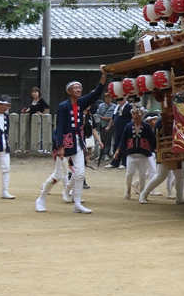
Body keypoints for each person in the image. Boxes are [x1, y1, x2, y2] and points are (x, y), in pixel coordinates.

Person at [35, 65, 108, 213]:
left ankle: (77, 204)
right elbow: (60, 126)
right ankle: (41, 198)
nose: (79, 89)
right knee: (58, 175)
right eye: (75, 88)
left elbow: (96, 94)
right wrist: (60, 146)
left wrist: (104, 75)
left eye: (80, 87)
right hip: (64, 141)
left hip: (78, 141)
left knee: (80, 173)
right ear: (69, 91)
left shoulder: (82, 103)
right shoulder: (63, 106)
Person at [139, 113, 184, 205]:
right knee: (161, 176)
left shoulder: (181, 118)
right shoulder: (161, 121)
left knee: (180, 175)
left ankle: (179, 198)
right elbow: (156, 136)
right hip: (165, 149)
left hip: (178, 148)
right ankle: (144, 194)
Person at [0, 95, 15, 199]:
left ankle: (5, 191)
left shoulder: (6, 116)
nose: (6, 108)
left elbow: (6, 131)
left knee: (6, 168)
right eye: (5, 105)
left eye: (8, 106)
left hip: (3, 145)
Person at [104, 97, 132, 168]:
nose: (119, 101)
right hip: (118, 130)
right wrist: (109, 126)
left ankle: (124, 162)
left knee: (125, 146)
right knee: (116, 145)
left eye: (121, 99)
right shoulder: (117, 107)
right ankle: (115, 162)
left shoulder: (129, 107)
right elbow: (113, 117)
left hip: (125, 129)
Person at [96, 92, 116, 161]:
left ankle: (106, 154)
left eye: (109, 98)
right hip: (102, 124)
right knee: (102, 139)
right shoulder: (101, 105)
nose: (108, 99)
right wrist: (104, 118)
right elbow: (98, 114)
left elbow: (115, 115)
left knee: (108, 139)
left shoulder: (114, 106)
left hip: (111, 124)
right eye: (106, 97)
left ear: (111, 99)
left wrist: (110, 119)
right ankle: (101, 154)